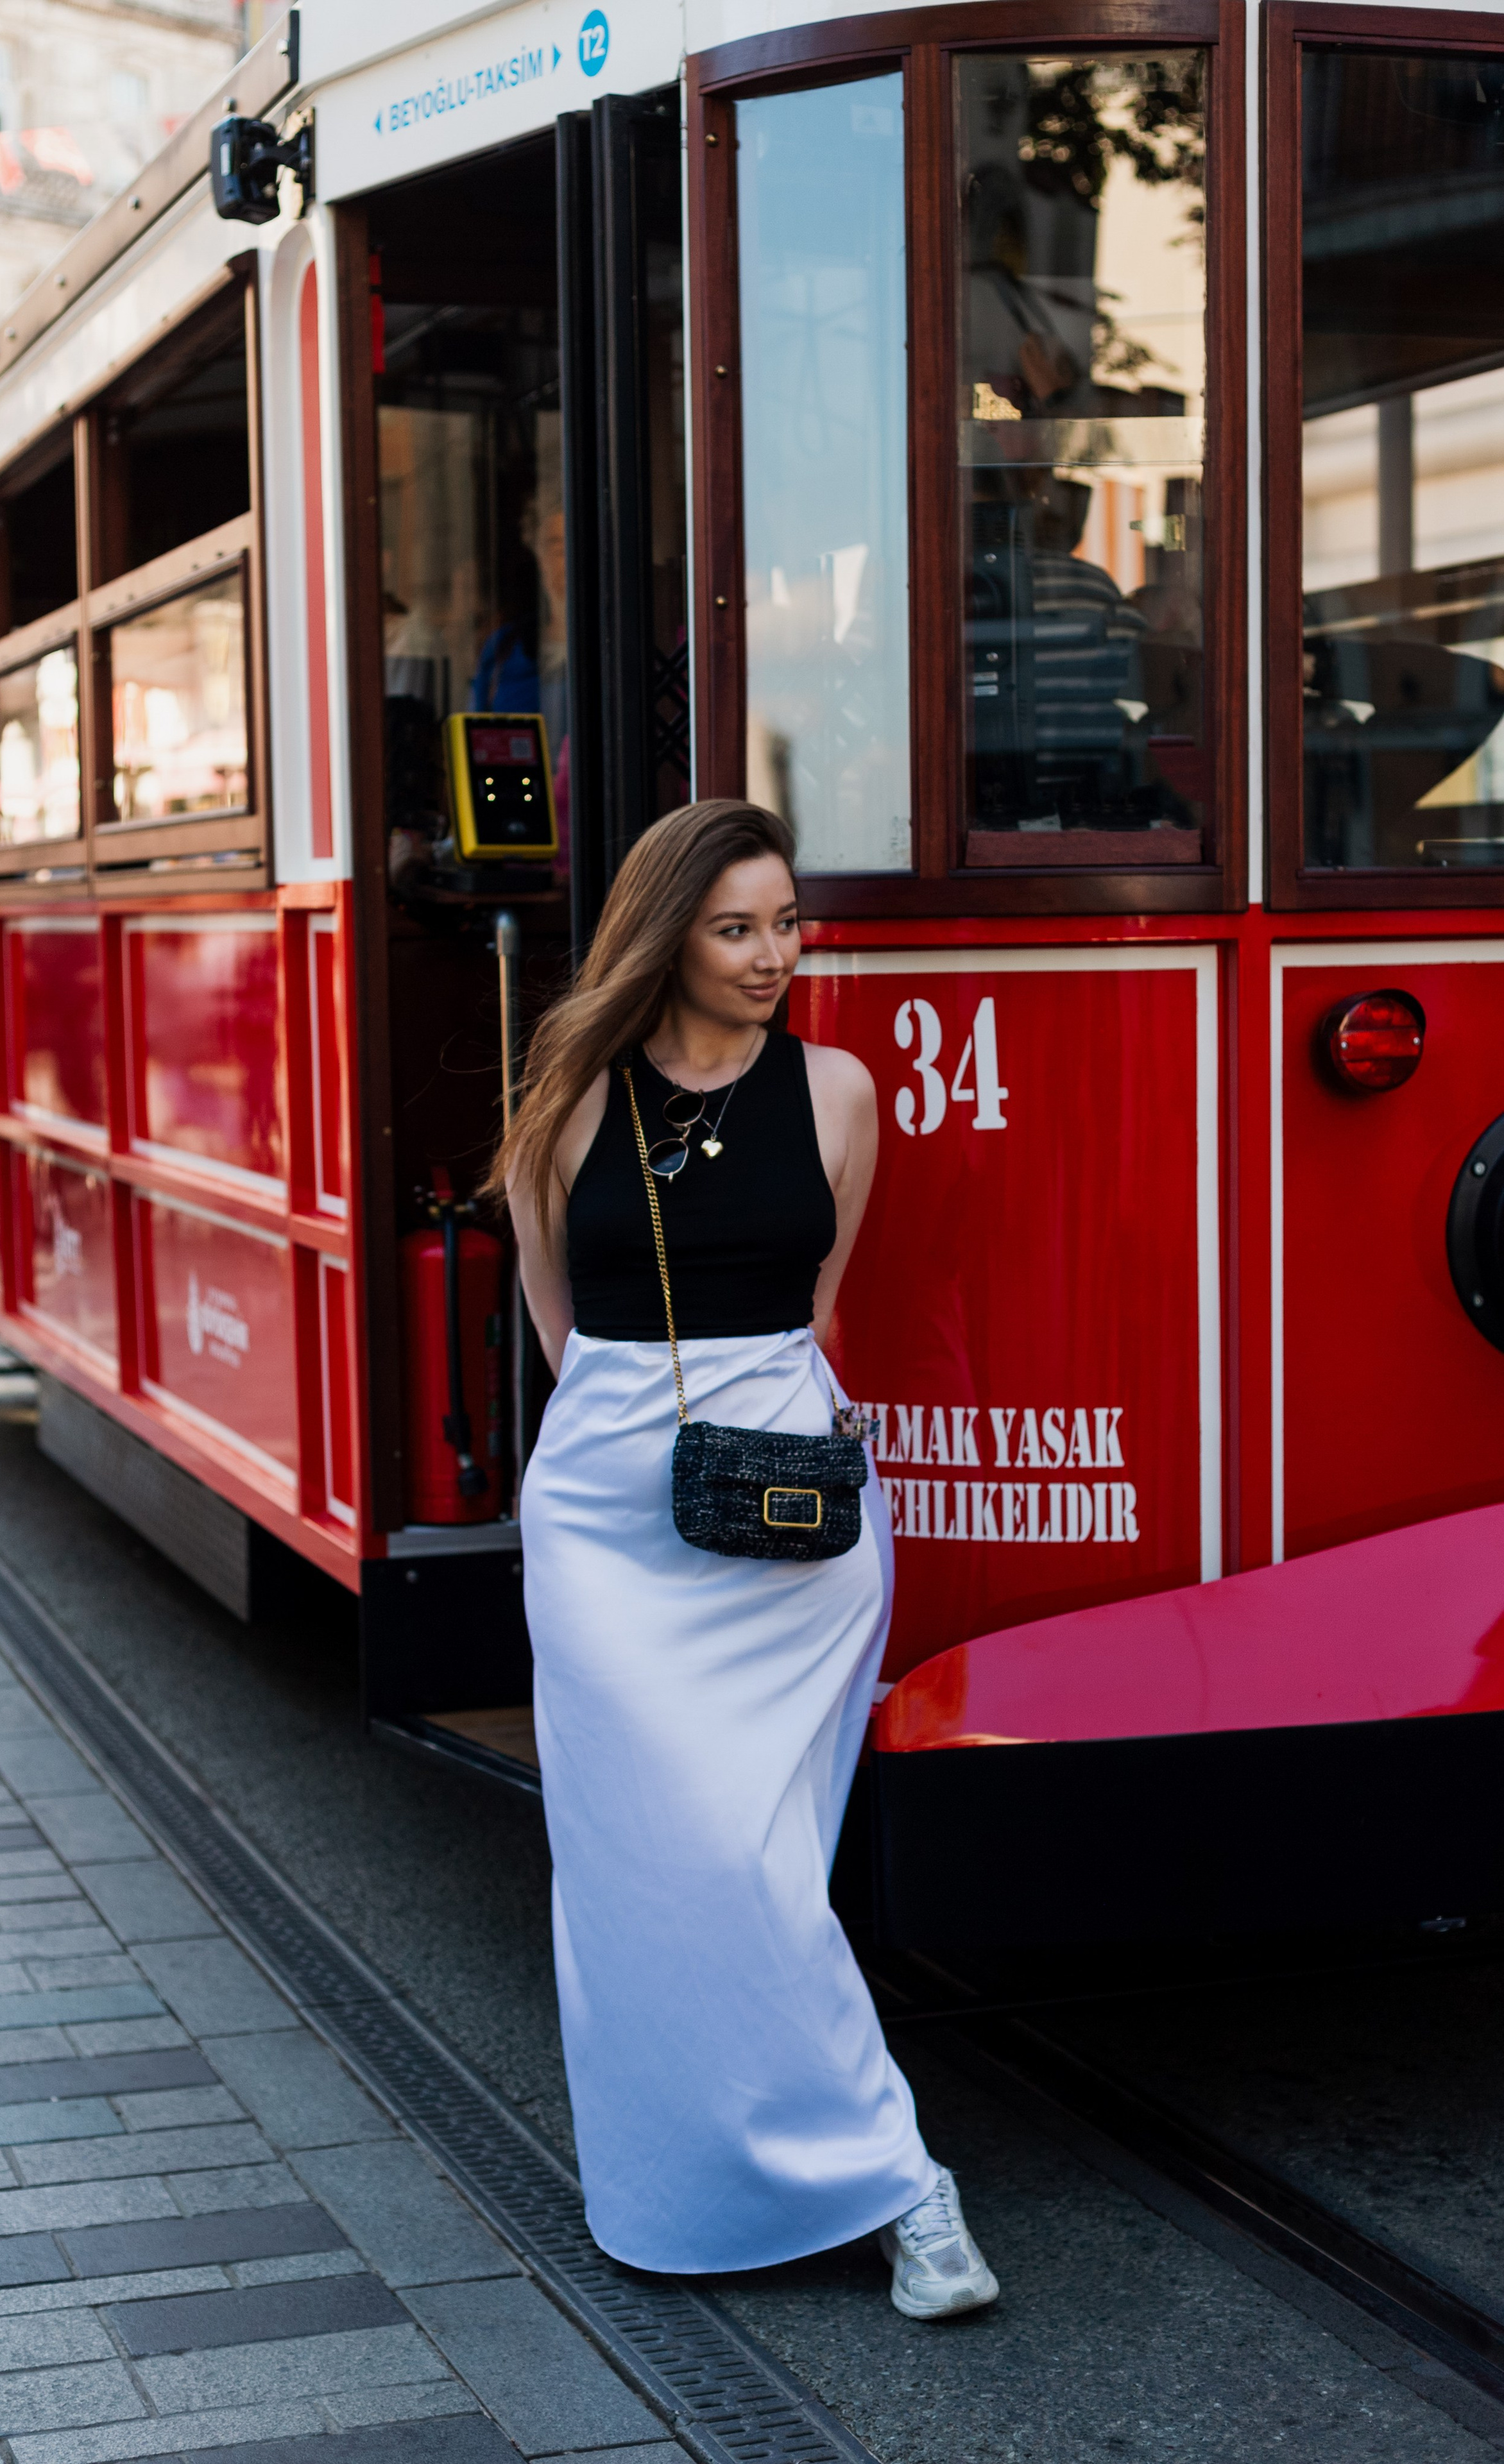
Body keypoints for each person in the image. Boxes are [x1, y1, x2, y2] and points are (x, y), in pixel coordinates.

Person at [486, 798, 998, 2321]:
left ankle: (896, 2182)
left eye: (785, 922)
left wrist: (762, 1423)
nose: (772, 953)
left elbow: (817, 1304)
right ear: (666, 934)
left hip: (787, 1508)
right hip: (604, 1515)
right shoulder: (567, 1096)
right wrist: (633, 1431)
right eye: (735, 927)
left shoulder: (837, 1088)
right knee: (651, 1859)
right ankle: (714, 2184)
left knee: (761, 1860)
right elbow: (553, 1318)